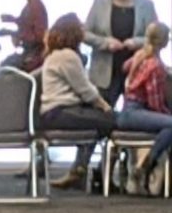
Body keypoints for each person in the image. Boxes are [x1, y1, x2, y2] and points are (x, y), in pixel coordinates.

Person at [40, 13, 117, 190]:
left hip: (56, 112)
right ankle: (93, 172)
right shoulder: (67, 57)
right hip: (60, 112)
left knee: (95, 124)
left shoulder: (55, 55)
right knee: (113, 121)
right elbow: (86, 91)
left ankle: (79, 170)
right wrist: (106, 108)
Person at [120, 21, 172, 194]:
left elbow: (125, 67)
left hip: (128, 111)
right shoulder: (155, 66)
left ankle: (159, 173)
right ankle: (157, 170)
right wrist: (169, 116)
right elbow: (155, 103)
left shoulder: (139, 56)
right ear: (165, 42)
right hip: (135, 112)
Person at [84, 0, 158, 107]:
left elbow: (156, 38)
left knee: (134, 115)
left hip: (136, 69)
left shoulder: (146, 5)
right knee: (102, 117)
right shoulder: (99, 2)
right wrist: (105, 43)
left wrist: (135, 42)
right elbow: (85, 33)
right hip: (104, 72)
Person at [0, 0, 48, 72]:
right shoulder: (31, 4)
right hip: (28, 56)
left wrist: (13, 33)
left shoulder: (36, 6)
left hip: (32, 61)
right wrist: (13, 20)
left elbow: (39, 36)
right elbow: (28, 25)